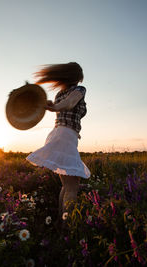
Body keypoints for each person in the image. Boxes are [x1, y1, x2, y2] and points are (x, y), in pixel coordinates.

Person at [26, 62, 91, 223]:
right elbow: (69, 103)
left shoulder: (59, 94)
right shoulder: (78, 90)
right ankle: (68, 227)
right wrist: (55, 108)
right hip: (65, 136)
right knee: (72, 187)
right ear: (75, 77)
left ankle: (60, 223)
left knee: (66, 184)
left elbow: (65, 106)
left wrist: (54, 106)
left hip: (59, 134)